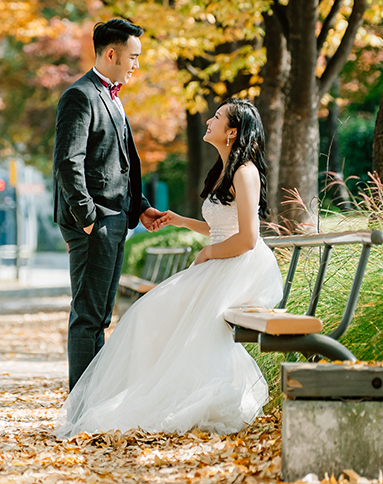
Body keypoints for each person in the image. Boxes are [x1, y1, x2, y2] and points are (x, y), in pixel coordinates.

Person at [54, 98, 283, 438]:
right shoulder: (225, 171)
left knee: (158, 312)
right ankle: (147, 391)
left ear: (232, 132)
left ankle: (168, 396)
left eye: (217, 117)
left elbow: (248, 238)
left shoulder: (245, 172)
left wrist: (207, 255)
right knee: (147, 314)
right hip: (225, 259)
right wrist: (180, 221)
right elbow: (222, 228)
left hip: (242, 267)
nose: (209, 120)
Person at [52, 18, 162, 390]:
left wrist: (139, 207)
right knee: (88, 316)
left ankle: (91, 401)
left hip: (117, 220)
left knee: (101, 317)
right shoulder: (80, 96)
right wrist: (87, 217)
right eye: (133, 56)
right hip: (94, 222)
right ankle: (80, 407)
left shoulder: (113, 98)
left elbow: (123, 162)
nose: (136, 64)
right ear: (111, 53)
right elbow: (69, 161)